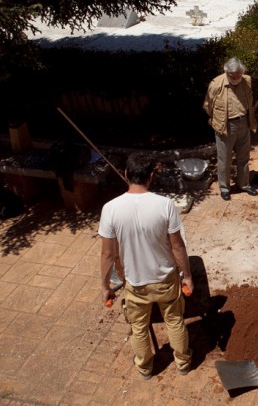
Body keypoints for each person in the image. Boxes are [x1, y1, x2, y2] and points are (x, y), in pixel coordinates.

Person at [98, 153, 193, 380]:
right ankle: (183, 363)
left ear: (126, 174)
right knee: (174, 320)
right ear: (151, 177)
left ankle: (145, 368)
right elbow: (178, 247)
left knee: (139, 327)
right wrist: (187, 275)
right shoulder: (165, 205)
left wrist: (104, 286)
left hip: (135, 284)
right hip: (165, 281)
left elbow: (108, 254)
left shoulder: (110, 209)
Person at [203, 57, 258, 201]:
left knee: (244, 157)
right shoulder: (216, 84)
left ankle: (244, 184)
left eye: (238, 75)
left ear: (242, 72)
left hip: (244, 122)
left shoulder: (247, 80)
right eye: (232, 76)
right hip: (226, 125)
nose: (235, 78)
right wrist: (219, 120)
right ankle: (224, 188)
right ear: (226, 72)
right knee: (225, 159)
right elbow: (207, 105)